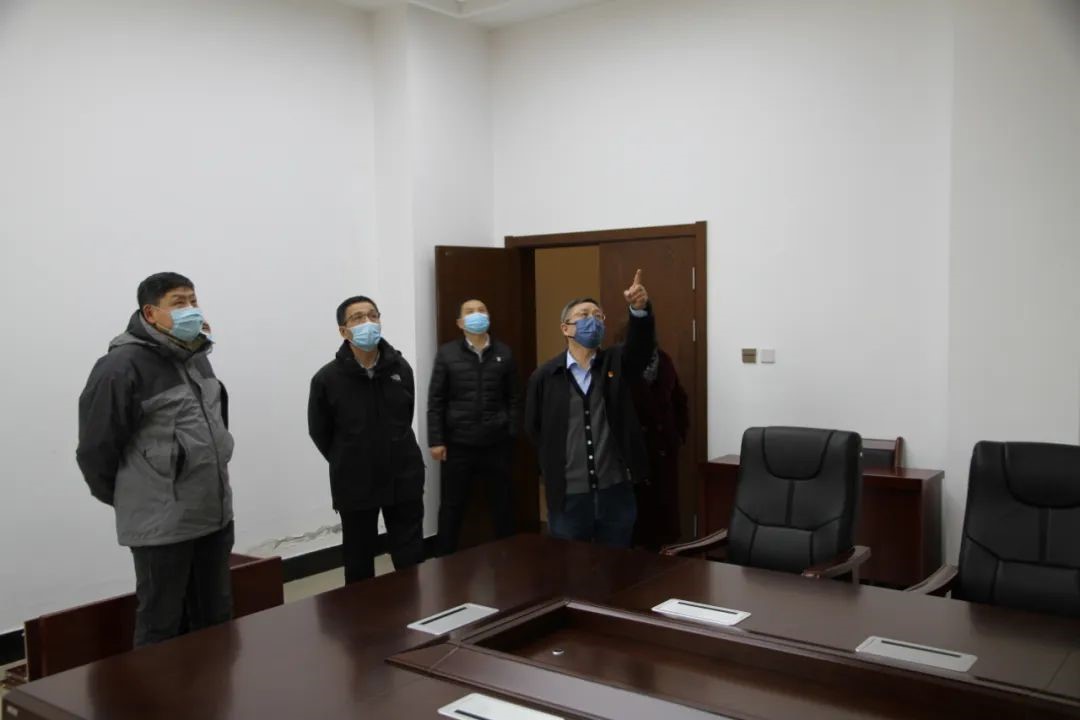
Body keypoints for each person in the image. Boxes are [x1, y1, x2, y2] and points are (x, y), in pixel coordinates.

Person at [76, 272, 235, 647]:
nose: (191, 309)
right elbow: (96, 450)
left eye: (193, 300)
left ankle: (210, 686)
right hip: (162, 524)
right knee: (161, 625)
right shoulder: (120, 367)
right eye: (179, 303)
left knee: (215, 618)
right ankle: (158, 690)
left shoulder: (197, 358)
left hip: (212, 513)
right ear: (150, 313)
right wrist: (137, 496)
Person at [525, 270, 654, 547]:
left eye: (597, 316)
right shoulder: (545, 376)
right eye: (584, 315)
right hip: (569, 495)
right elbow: (534, 429)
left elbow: (641, 348)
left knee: (616, 565)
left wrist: (639, 310)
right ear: (566, 328)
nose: (592, 321)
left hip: (614, 491)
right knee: (571, 566)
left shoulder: (615, 363)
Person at [308, 295, 425, 584]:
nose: (368, 322)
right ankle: (361, 614)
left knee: (410, 557)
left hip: (403, 476)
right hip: (355, 482)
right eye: (358, 318)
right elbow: (320, 431)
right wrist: (348, 457)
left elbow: (405, 416)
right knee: (359, 560)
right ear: (343, 330)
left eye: (373, 315)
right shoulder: (327, 379)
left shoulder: (400, 368)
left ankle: (413, 608)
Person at [427, 298, 520, 556]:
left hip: (496, 443)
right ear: (460, 322)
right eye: (469, 311)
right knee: (452, 506)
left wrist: (511, 432)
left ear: (488, 317)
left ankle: (510, 557)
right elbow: (436, 400)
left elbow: (514, 397)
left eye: (481, 310)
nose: (476, 314)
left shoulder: (504, 353)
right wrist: (436, 440)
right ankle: (443, 559)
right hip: (458, 444)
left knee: (503, 504)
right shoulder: (447, 354)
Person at [629, 344, 689, 550]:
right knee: (635, 526)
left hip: (663, 451)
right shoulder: (619, 363)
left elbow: (679, 399)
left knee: (662, 524)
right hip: (635, 453)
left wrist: (679, 435)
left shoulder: (664, 360)